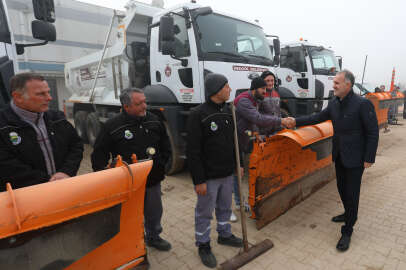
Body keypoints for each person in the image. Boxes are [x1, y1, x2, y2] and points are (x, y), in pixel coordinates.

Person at [286, 69, 379, 252]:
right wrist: (294, 122)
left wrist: (369, 158)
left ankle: (348, 230)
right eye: (334, 82)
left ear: (348, 85)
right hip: (339, 155)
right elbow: (316, 118)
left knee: (352, 194)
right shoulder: (334, 103)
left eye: (337, 83)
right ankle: (347, 213)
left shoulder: (362, 104)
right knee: (341, 189)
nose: (333, 85)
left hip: (356, 158)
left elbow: (372, 132)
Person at [91, 88, 172, 251]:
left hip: (152, 180)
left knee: (154, 212)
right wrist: (105, 177)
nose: (144, 106)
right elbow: (99, 154)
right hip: (127, 183)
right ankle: (132, 246)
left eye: (145, 101)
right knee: (129, 218)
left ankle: (153, 236)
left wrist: (161, 165)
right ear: (126, 106)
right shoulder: (112, 126)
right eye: (139, 103)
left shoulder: (154, 121)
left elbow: (166, 146)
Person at [187, 73, 243, 268]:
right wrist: (198, 180)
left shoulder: (229, 111)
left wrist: (239, 164)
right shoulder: (198, 114)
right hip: (209, 177)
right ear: (217, 90)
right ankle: (203, 244)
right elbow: (193, 151)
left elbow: (234, 141)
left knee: (225, 208)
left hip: (227, 173)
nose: (229, 89)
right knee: (204, 212)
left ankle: (225, 234)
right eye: (226, 86)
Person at [0, 72, 83, 191]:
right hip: (23, 199)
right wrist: (47, 181)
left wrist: (66, 172)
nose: (49, 98)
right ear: (18, 97)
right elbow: (6, 164)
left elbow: (76, 145)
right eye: (41, 94)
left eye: (48, 92)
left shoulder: (57, 118)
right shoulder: (3, 126)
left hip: (64, 188)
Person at [229, 77, 291, 221]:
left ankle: (239, 203)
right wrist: (281, 120)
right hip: (232, 141)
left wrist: (258, 134)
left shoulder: (256, 100)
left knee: (239, 172)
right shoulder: (244, 101)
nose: (265, 91)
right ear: (255, 88)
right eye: (263, 88)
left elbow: (259, 119)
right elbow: (257, 118)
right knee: (233, 173)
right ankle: (227, 209)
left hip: (243, 138)